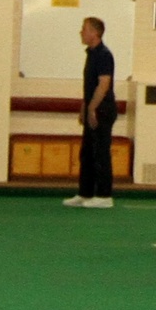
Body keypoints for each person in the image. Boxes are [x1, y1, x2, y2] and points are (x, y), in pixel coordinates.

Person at [65, 16, 118, 208]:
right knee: (87, 152)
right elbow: (89, 86)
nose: (81, 32)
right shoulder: (91, 53)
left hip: (102, 109)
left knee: (100, 152)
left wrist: (93, 108)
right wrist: (84, 108)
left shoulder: (104, 54)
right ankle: (85, 192)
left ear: (95, 33)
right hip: (92, 107)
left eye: (84, 29)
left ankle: (104, 195)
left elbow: (104, 85)